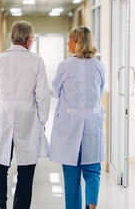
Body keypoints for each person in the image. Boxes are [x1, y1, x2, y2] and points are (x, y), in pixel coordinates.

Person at [0, 20, 50, 209]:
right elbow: (43, 96)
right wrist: (42, 122)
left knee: (0, 166)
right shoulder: (36, 60)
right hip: (28, 119)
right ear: (29, 39)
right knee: (26, 168)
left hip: (2, 117)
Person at [49, 26, 106, 209]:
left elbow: (56, 91)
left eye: (70, 40)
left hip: (69, 127)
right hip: (92, 124)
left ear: (78, 42)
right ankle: (92, 204)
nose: (68, 44)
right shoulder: (99, 66)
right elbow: (99, 92)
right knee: (92, 170)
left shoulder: (65, 66)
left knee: (72, 174)